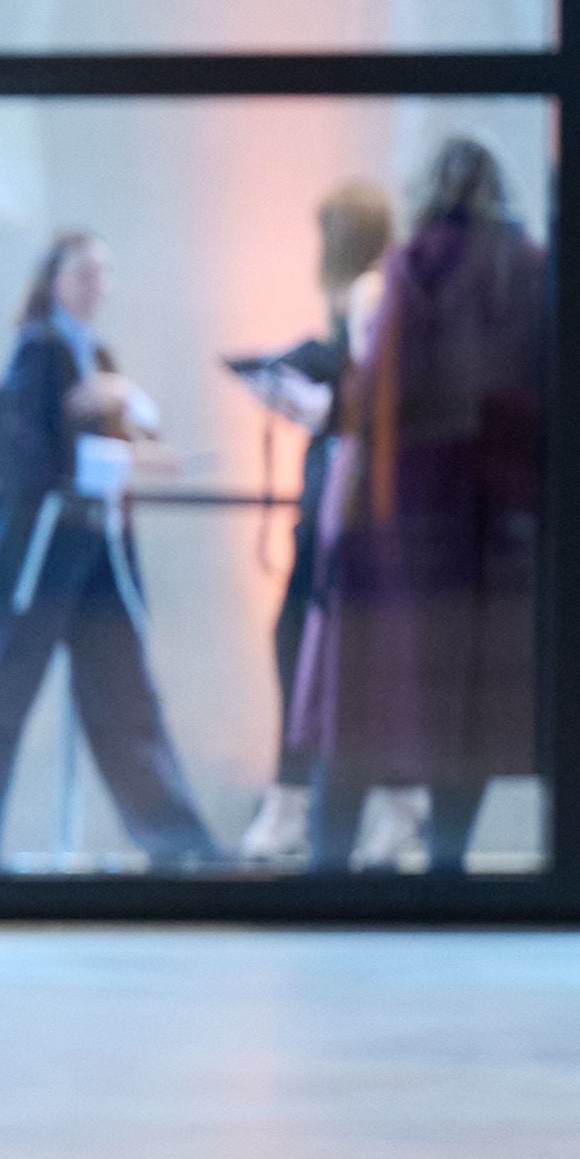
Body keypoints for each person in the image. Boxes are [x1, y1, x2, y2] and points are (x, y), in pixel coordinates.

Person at [0, 227, 225, 872]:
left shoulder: (100, 357)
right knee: (5, 701)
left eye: (104, 272)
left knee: (126, 703)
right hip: (45, 557)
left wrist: (132, 427)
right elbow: (37, 456)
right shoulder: (40, 350)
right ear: (54, 280)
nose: (96, 285)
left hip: (96, 554)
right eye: (83, 272)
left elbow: (125, 439)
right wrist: (103, 442)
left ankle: (182, 849)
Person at [304, 139, 553, 880]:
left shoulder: (414, 266)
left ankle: (329, 866)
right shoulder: (530, 267)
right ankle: (446, 860)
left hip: (404, 512)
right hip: (500, 516)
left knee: (362, 696)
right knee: (470, 702)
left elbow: (385, 391)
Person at [223, 175, 398, 861]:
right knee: (308, 644)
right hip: (335, 493)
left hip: (344, 499)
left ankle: (311, 804)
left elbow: (366, 392)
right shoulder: (373, 294)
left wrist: (314, 399)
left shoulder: (367, 293)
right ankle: (339, 802)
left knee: (308, 644)